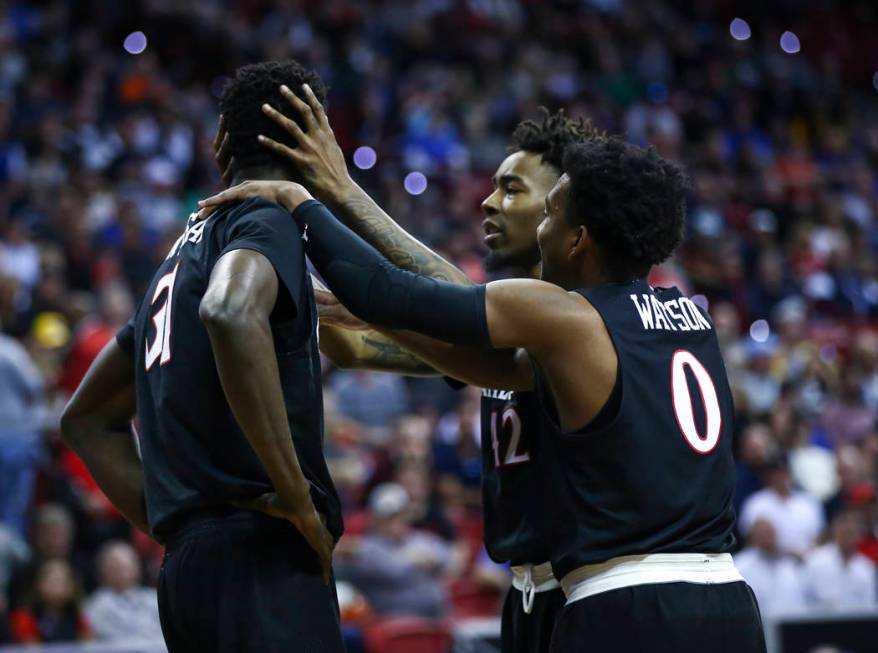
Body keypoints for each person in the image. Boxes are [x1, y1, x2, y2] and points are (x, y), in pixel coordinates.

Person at [200, 96, 765, 651]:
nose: (490, 203)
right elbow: (396, 336)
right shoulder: (681, 316)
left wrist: (316, 199)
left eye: (527, 197)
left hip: (604, 595)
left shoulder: (564, 318)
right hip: (711, 593)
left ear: (577, 227)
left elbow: (404, 297)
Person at [206, 95, 601, 652]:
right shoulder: (505, 340)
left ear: (561, 208)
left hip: (585, 591)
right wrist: (268, 275)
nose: (487, 203)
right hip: (527, 592)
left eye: (512, 190)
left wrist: (337, 193)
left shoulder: (575, 315)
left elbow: (440, 308)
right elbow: (356, 347)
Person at [60, 60, 347, 652]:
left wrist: (179, 523)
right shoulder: (265, 219)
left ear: (220, 143)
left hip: (188, 573)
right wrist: (294, 496)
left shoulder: (177, 257)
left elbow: (83, 419)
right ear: (314, 141)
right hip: (261, 557)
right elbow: (230, 312)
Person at [85, 541, 162, 642]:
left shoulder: (153, 598)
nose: (123, 572)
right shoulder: (96, 604)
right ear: (104, 571)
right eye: (116, 567)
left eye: (126, 566)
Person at [802, 508, 877, 611]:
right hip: (820, 623)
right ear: (834, 529)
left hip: (856, 624)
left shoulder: (866, 568)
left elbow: (869, 607)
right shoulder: (815, 561)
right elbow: (804, 601)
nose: (847, 532)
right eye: (844, 527)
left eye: (852, 530)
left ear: (860, 534)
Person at [733, 519, 807, 618]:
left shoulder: (789, 563)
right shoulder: (740, 566)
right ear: (752, 537)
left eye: (770, 534)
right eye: (762, 535)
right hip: (759, 624)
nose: (768, 539)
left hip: (793, 623)